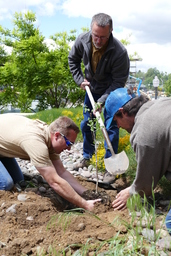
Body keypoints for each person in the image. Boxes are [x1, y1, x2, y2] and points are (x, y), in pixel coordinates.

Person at [68, 13, 130, 184]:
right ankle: (88, 155)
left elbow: (118, 81)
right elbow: (72, 60)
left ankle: (111, 167)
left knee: (109, 127)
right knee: (86, 123)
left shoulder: (119, 52)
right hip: (91, 88)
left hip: (112, 93)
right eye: (95, 35)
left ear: (110, 32)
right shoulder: (83, 40)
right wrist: (80, 80)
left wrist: (102, 102)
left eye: (103, 37)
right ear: (91, 29)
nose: (98, 40)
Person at [105, 87, 171, 234]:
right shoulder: (160, 103)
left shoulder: (143, 134)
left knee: (169, 224)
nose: (118, 127)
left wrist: (131, 191)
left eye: (116, 121)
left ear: (123, 112)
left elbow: (146, 182)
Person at [0, 114, 100, 211]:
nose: (69, 149)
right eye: (69, 143)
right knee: (6, 184)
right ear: (57, 136)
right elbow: (54, 182)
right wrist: (85, 204)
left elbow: (61, 172)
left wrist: (86, 193)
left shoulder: (48, 138)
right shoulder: (37, 143)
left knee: (19, 180)